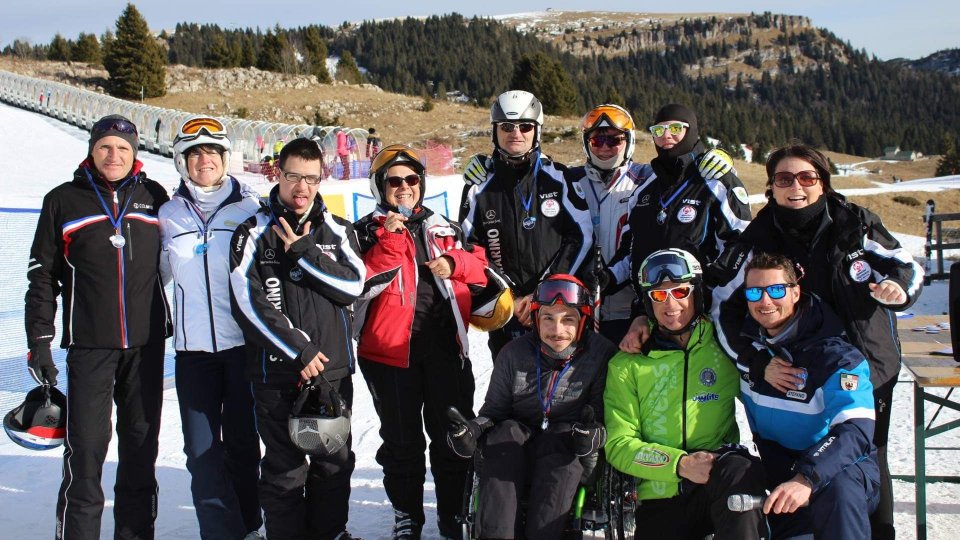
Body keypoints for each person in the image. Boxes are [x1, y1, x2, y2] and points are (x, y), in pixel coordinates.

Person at [711, 143, 923, 540]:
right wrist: (756, 363)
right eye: (784, 179)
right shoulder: (757, 237)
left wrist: (898, 288)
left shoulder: (854, 223)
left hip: (866, 359)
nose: (796, 186)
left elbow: (907, 266)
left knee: (864, 451)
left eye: (807, 177)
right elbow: (723, 306)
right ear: (771, 187)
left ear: (823, 184)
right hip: (790, 365)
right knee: (790, 452)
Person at [25, 114, 171, 539]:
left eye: (123, 148)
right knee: (86, 454)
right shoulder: (63, 200)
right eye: (106, 146)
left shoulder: (154, 196)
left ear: (135, 154)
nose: (114, 155)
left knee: (141, 453)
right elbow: (41, 277)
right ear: (92, 149)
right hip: (89, 348)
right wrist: (40, 342)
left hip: (145, 348)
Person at [229, 137, 366, 540]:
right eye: (293, 177)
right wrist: (298, 350)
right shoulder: (252, 232)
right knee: (285, 470)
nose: (301, 187)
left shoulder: (338, 230)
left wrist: (305, 253)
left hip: (332, 372)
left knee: (333, 463)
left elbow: (353, 286)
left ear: (321, 178)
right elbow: (248, 304)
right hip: (277, 373)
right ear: (279, 175)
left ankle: (330, 533)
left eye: (310, 178)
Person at [354, 144, 488, 538]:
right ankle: (407, 516)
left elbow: (479, 270)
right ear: (380, 186)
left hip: (446, 349)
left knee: (453, 437)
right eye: (394, 181)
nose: (404, 187)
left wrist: (456, 263)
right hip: (389, 354)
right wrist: (390, 241)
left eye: (412, 179)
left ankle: (453, 515)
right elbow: (357, 285)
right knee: (402, 443)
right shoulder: (363, 231)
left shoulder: (446, 225)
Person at [603, 248, 766, 539]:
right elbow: (618, 445)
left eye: (680, 292)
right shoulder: (627, 364)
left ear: (698, 294)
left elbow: (765, 404)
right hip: (660, 492)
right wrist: (681, 465)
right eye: (658, 295)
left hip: (719, 480)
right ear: (646, 301)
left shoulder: (723, 347)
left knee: (739, 471)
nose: (671, 305)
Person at [446, 274, 616, 540]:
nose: (557, 330)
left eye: (567, 319)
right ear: (535, 318)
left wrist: (592, 434)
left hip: (566, 445)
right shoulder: (514, 353)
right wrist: (471, 432)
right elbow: (493, 413)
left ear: (583, 320)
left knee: (561, 441)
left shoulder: (601, 354)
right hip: (518, 441)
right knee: (504, 433)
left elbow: (603, 418)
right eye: (548, 317)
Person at [158, 116, 263, 540]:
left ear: (225, 158)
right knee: (201, 453)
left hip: (242, 350)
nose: (205, 160)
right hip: (193, 355)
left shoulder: (252, 208)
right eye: (195, 153)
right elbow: (151, 275)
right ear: (182, 161)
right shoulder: (166, 214)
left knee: (242, 447)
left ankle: (250, 527)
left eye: (213, 153)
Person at [738, 252, 880, 539]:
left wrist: (807, 478)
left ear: (795, 292)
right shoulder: (750, 350)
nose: (765, 301)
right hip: (779, 474)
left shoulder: (837, 358)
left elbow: (855, 431)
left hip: (836, 473)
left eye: (776, 290)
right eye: (755, 292)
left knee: (840, 488)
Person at [459, 90, 593, 358]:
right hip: (507, 310)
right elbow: (469, 247)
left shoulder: (559, 179)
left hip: (556, 306)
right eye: (506, 126)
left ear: (537, 131)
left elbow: (582, 237)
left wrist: (542, 292)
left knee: (563, 389)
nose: (516, 133)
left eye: (525, 126)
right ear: (495, 131)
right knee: (511, 388)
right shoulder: (478, 186)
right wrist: (507, 294)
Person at [612, 103, 752, 354]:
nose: (666, 136)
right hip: (657, 311)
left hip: (707, 314)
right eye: (659, 130)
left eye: (676, 129)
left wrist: (709, 284)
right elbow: (631, 251)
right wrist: (607, 277)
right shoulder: (644, 192)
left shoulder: (714, 180)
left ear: (693, 132)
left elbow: (743, 240)